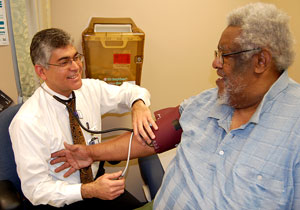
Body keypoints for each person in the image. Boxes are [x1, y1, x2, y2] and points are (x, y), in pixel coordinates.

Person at [51, 2, 300, 209]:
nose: (215, 63)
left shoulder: (294, 129)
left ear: (261, 61)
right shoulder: (207, 101)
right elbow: (147, 138)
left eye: (225, 55)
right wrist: (89, 154)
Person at [9, 28, 158, 209]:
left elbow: (133, 91)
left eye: (76, 57)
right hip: (62, 200)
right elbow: (36, 190)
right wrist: (88, 190)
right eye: (64, 62)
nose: (76, 67)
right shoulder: (27, 122)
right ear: (41, 72)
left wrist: (138, 105)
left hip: (98, 184)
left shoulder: (88, 89)